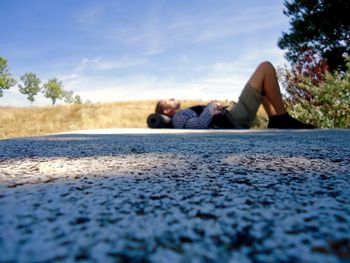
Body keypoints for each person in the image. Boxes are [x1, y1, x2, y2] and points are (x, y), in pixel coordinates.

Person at [155, 61, 315, 129]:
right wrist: (210, 107)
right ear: (167, 112)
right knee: (265, 68)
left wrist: (213, 110)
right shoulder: (178, 117)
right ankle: (282, 119)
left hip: (230, 119)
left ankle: (277, 119)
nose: (173, 99)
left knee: (263, 83)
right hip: (232, 120)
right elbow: (198, 126)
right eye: (168, 101)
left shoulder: (181, 116)